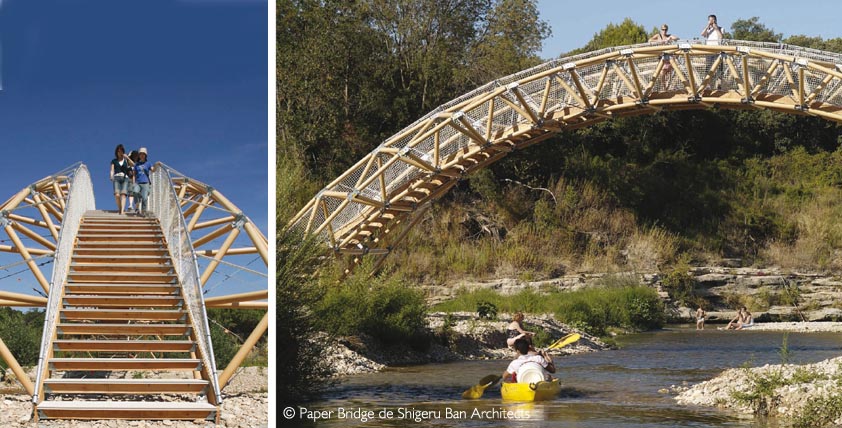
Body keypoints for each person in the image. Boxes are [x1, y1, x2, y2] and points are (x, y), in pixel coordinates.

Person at [131, 147, 155, 214]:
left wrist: (156, 165)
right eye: (140, 154)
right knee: (135, 192)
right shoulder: (136, 164)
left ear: (145, 155)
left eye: (143, 154)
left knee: (144, 198)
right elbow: (134, 174)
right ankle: (137, 205)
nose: (142, 155)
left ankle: (143, 211)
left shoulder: (148, 163)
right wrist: (133, 183)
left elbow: (153, 170)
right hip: (138, 182)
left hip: (145, 183)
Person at [109, 144, 131, 215]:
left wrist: (128, 158)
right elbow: (112, 169)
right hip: (117, 178)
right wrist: (111, 176)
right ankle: (120, 208)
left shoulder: (126, 160)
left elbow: (134, 165)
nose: (120, 153)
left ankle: (122, 212)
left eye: (121, 151)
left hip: (125, 178)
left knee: (123, 194)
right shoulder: (114, 161)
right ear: (116, 152)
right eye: (118, 151)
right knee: (117, 195)